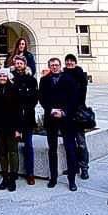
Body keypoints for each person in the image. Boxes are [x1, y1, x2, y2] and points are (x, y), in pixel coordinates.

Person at [39, 57, 80, 192]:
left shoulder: (68, 79)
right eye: (52, 65)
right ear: (49, 66)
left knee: (70, 148)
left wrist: (64, 112)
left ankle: (72, 180)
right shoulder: (44, 80)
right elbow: (42, 98)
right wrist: (51, 110)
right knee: (52, 149)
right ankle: (53, 178)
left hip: (66, 118)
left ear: (60, 66)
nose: (54, 67)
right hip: (51, 118)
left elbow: (74, 98)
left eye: (56, 65)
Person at [0, 69, 22, 191]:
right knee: (3, 153)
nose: (2, 77)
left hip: (12, 127)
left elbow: (19, 111)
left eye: (4, 75)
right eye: (0, 75)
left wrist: (18, 129)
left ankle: (13, 178)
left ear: (8, 77)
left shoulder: (14, 89)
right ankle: (5, 177)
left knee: (13, 152)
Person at [11, 55, 39, 185]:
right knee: (12, 147)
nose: (18, 65)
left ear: (24, 64)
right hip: (13, 117)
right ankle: (14, 172)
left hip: (27, 116)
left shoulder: (31, 79)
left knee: (28, 145)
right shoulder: (10, 78)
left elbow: (34, 98)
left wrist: (23, 99)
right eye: (16, 63)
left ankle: (30, 173)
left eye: (20, 63)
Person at [63, 54, 90, 180]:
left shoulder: (80, 74)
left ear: (75, 62)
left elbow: (81, 95)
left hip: (77, 113)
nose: (69, 62)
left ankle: (84, 167)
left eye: (71, 60)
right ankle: (73, 166)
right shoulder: (63, 74)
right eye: (67, 61)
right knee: (70, 143)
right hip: (67, 113)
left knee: (81, 143)